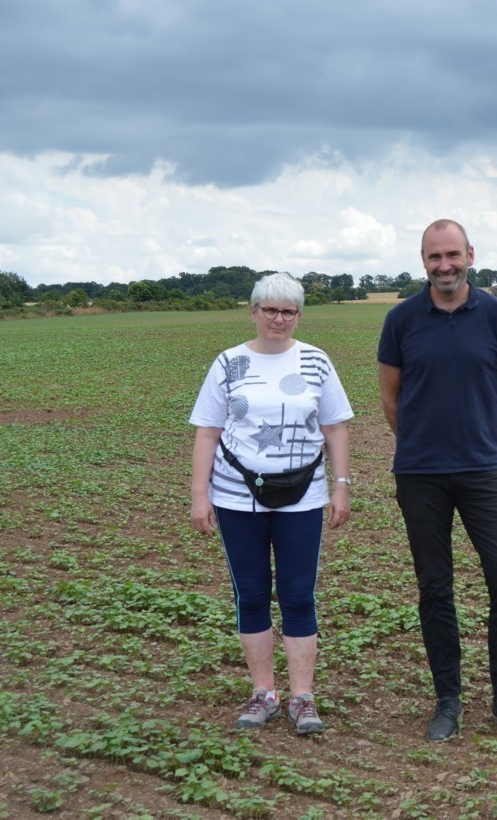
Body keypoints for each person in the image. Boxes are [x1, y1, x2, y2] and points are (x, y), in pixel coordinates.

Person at [377, 219, 497, 742]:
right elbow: (391, 398)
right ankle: (447, 698)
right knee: (435, 587)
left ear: (470, 254)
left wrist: (487, 445)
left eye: (452, 255)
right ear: (423, 261)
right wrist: (421, 446)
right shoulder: (401, 319)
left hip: (481, 472)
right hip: (419, 475)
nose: (443, 265)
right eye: (434, 257)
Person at [189, 272, 354, 736]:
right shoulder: (228, 363)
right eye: (270, 310)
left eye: (288, 311)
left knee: (299, 595)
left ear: (298, 316)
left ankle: (303, 697)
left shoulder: (315, 361)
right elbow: (208, 432)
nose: (278, 319)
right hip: (236, 497)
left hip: (302, 497)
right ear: (253, 311)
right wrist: (200, 494)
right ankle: (264, 692)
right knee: (252, 593)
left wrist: (341, 485)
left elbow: (335, 427)